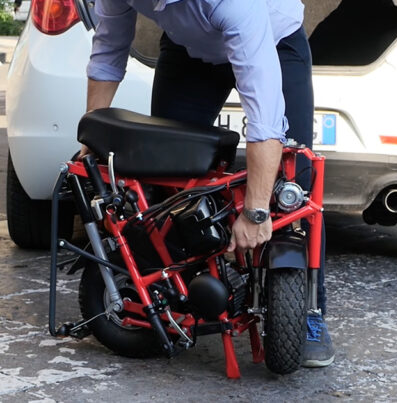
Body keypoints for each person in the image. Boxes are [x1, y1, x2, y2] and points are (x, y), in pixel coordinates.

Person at [81, 0, 334, 368]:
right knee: (162, 168)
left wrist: (257, 210)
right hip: (191, 52)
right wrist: (90, 138)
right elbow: (107, 54)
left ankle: (310, 311)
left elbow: (264, 121)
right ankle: (170, 297)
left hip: (275, 39)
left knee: (295, 186)